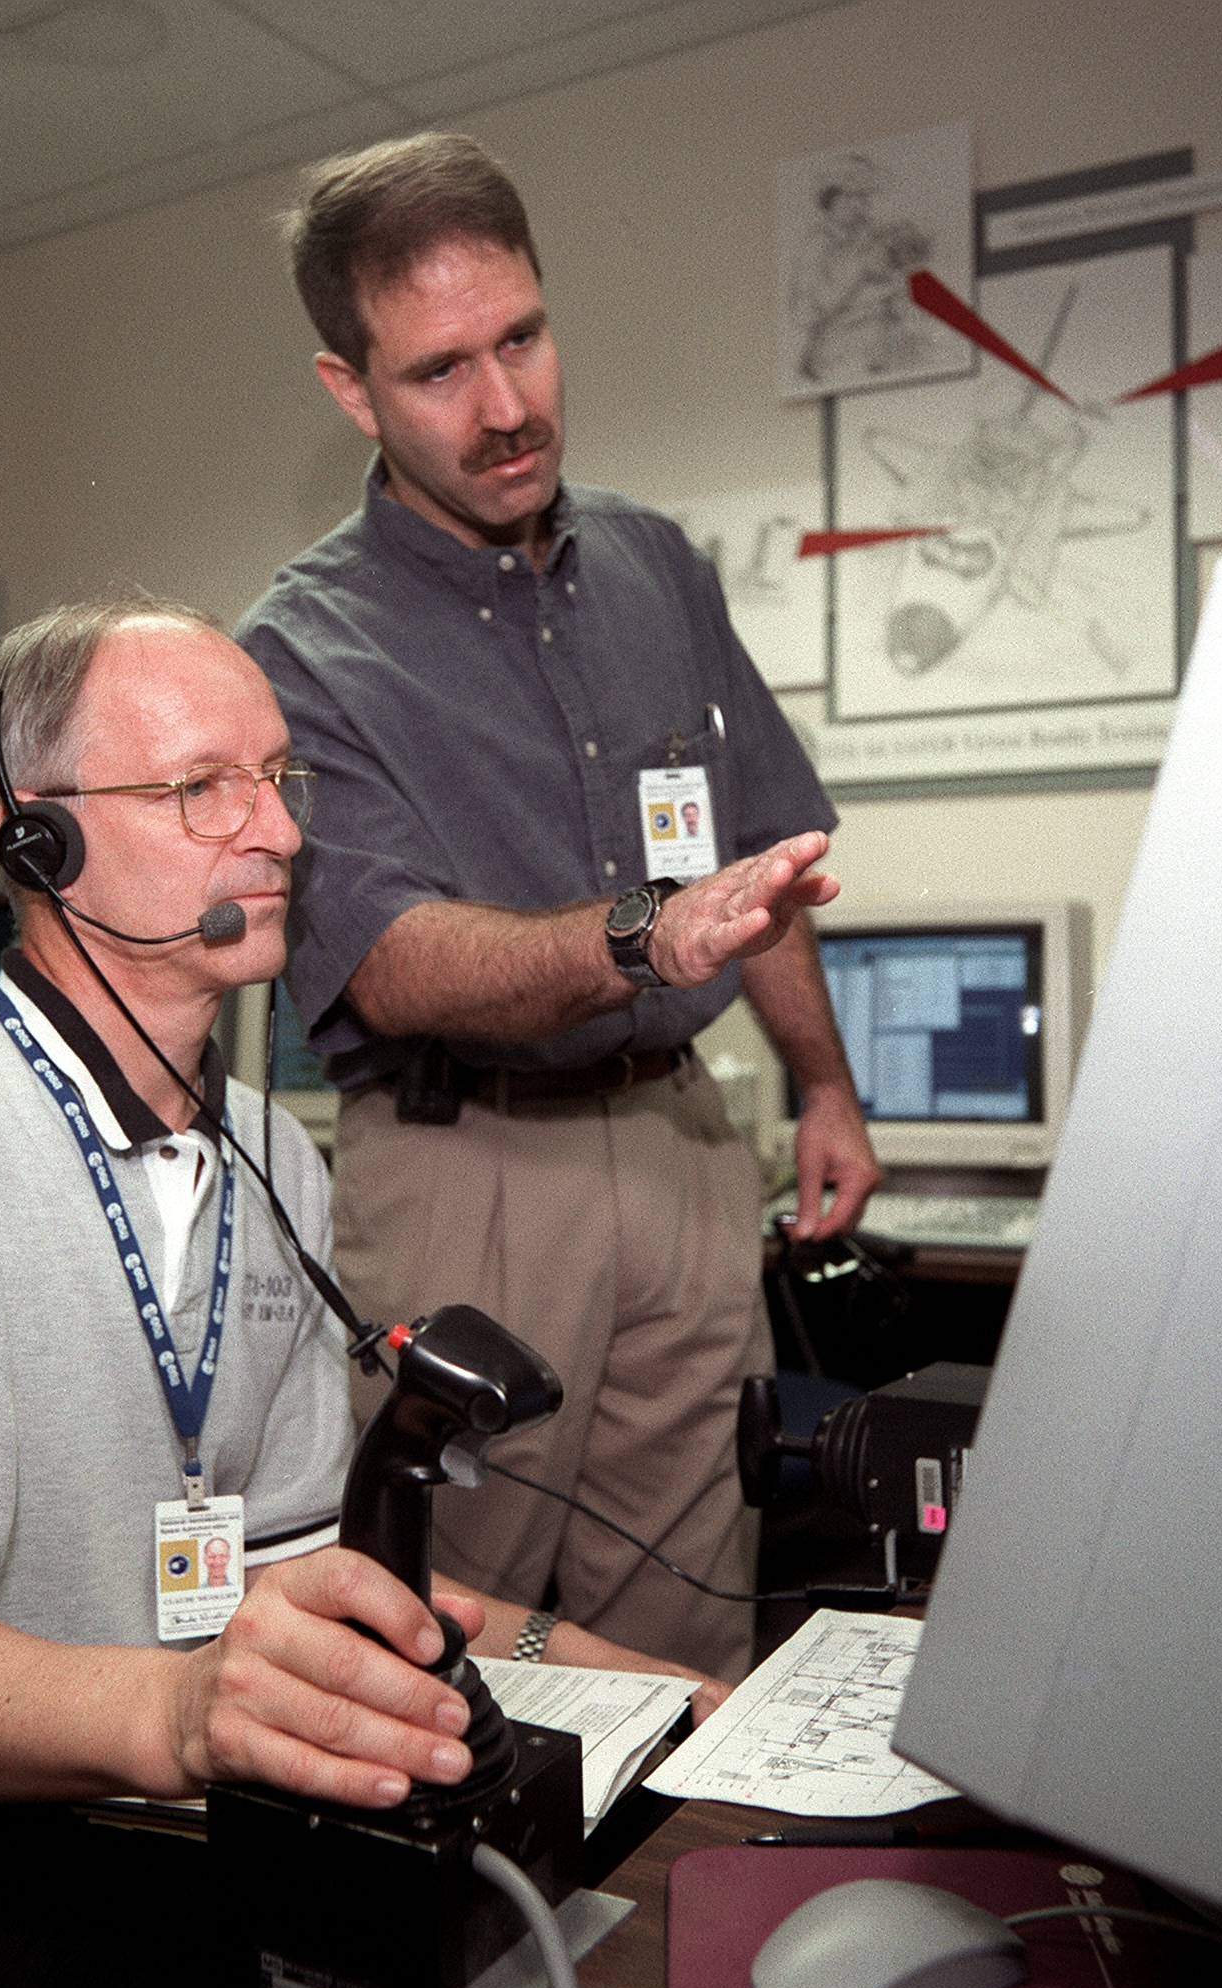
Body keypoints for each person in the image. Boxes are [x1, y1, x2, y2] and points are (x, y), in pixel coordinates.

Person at [0, 597, 721, 1988]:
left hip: (132, 1804)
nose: (278, 831)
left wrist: (628, 1677)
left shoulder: (270, 1152)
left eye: (279, 778)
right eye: (202, 788)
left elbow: (286, 1561)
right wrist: (182, 1711)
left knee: (538, 1917)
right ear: (40, 842)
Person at [238, 133, 881, 1686]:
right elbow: (389, 962)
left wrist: (824, 1084)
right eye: (440, 370)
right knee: (449, 1627)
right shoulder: (301, 649)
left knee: (686, 1609)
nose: (505, 405)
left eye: (521, 338)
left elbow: (761, 854)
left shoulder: (657, 564)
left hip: (681, 1143)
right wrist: (637, 937)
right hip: (473, 1169)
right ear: (351, 390)